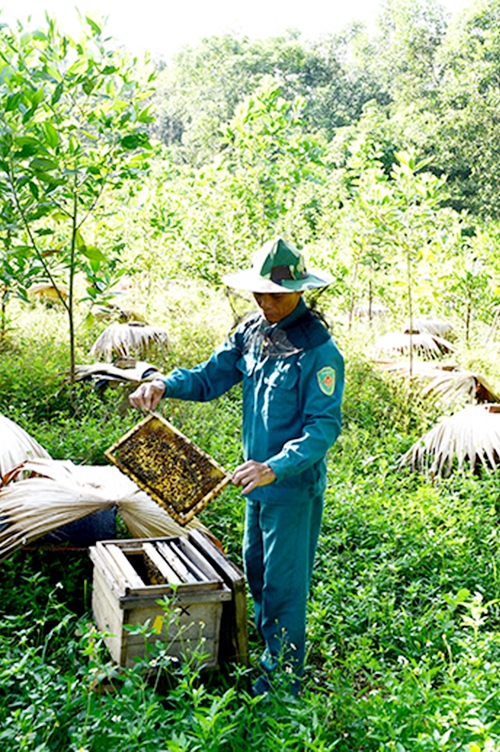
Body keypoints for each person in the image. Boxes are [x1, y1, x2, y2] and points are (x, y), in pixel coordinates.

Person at [129, 238, 344, 697]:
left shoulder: (320, 352)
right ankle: (269, 657)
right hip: (255, 485)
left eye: (276, 295)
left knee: (285, 588)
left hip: (291, 487)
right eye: (259, 294)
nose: (266, 302)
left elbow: (322, 429)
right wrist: (163, 383)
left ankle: (283, 688)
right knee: (259, 575)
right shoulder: (251, 332)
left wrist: (275, 466)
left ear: (301, 291)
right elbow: (209, 377)